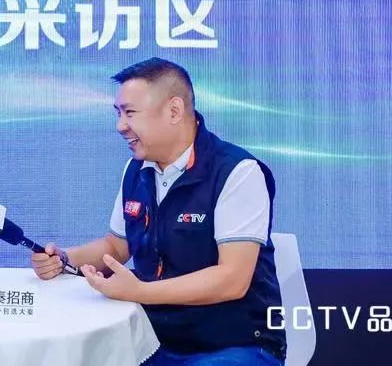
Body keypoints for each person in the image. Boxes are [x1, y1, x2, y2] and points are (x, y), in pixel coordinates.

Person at [31, 58, 286, 365]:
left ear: (174, 111)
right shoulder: (136, 169)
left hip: (234, 345)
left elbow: (232, 279)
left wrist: (140, 291)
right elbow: (116, 246)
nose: (120, 126)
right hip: (151, 341)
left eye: (130, 113)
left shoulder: (237, 172)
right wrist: (65, 259)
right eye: (118, 113)